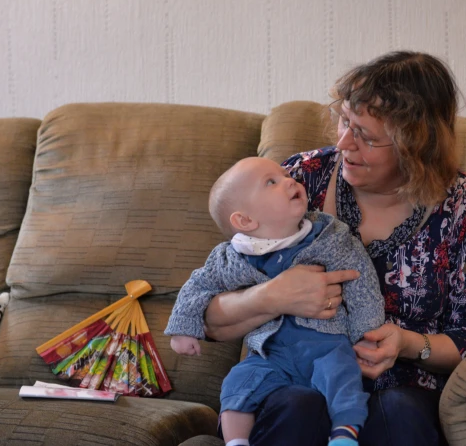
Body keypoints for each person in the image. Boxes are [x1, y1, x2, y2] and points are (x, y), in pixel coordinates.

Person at [203, 51, 466, 446]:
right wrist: (272, 296)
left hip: (403, 388)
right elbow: (206, 313)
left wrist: (407, 343)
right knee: (298, 406)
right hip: (292, 375)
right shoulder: (297, 180)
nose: (344, 143)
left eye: (366, 135)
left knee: (399, 414)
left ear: (415, 146)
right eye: (345, 121)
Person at [165, 156, 385, 446]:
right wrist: (183, 328)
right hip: (271, 354)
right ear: (245, 221)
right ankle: (236, 441)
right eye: (272, 182)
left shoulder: (326, 237)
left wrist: (367, 333)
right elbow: (199, 284)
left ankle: (344, 435)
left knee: (344, 379)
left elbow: (360, 279)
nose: (290, 180)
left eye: (285, 175)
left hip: (326, 345)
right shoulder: (235, 256)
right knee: (237, 383)